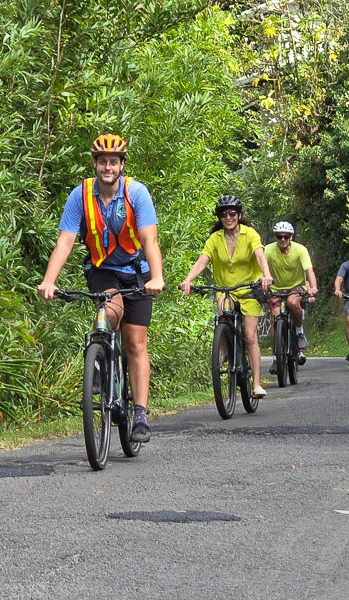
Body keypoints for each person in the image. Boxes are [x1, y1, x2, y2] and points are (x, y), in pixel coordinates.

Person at [38, 134, 164, 443]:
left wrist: (156, 277)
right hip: (102, 271)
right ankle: (99, 361)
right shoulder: (80, 195)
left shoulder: (137, 193)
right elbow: (65, 241)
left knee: (135, 342)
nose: (107, 167)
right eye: (102, 161)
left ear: (121, 165)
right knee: (110, 310)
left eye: (113, 162)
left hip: (137, 273)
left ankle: (140, 414)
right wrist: (49, 280)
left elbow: (150, 240)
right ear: (95, 164)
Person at [179, 195, 274, 399]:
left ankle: (256, 383)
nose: (228, 217)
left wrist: (266, 275)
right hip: (226, 289)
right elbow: (202, 261)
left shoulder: (250, 235)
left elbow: (259, 255)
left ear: (239, 215)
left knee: (250, 336)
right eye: (224, 214)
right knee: (223, 314)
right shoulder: (216, 239)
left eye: (232, 213)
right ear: (220, 218)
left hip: (249, 288)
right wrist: (188, 280)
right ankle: (223, 349)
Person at [263, 221, 318, 374]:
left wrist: (313, 287)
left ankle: (299, 332)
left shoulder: (300, 250)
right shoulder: (268, 250)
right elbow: (260, 268)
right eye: (279, 237)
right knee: (275, 318)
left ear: (291, 237)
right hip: (276, 289)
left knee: (293, 302)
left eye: (285, 237)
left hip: (296, 287)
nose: (282, 240)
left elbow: (309, 270)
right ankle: (276, 358)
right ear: (275, 237)